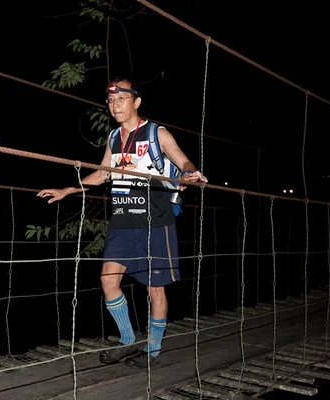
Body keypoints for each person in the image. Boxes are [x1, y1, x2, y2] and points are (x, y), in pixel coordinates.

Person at [37, 77, 206, 368]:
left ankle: (152, 352)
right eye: (111, 101)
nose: (115, 105)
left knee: (155, 290)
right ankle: (128, 341)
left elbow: (184, 162)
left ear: (136, 102)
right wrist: (70, 188)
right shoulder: (113, 138)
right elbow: (103, 173)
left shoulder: (157, 133)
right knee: (107, 280)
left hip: (156, 222)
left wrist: (190, 173)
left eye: (121, 99)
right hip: (122, 222)